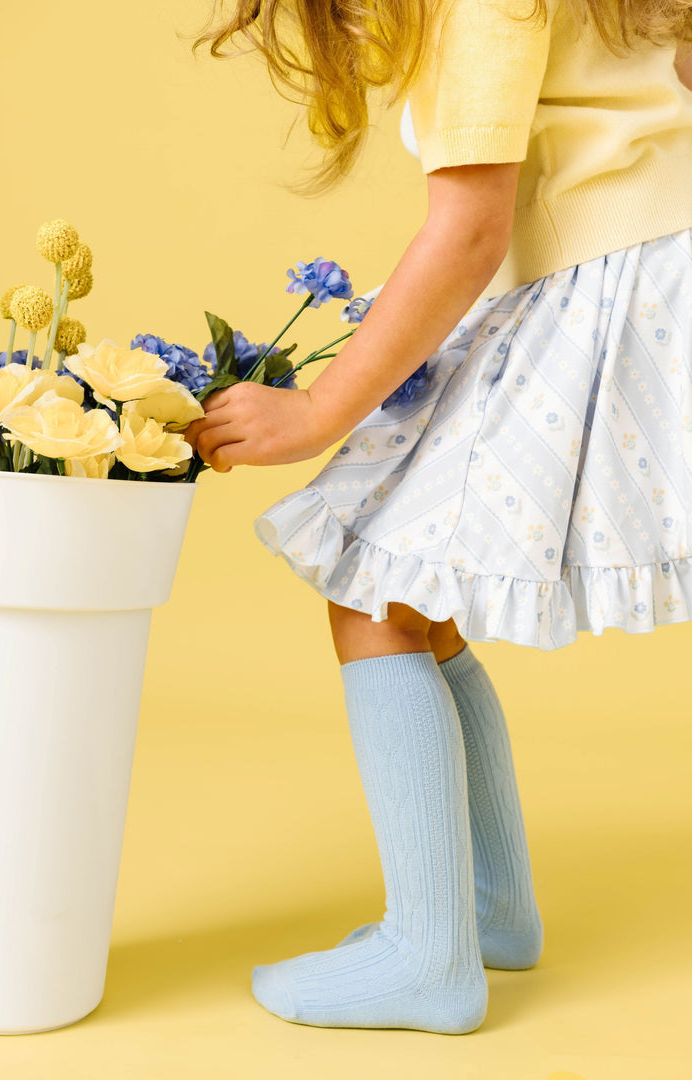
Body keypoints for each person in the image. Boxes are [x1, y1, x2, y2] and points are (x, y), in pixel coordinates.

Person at [184, 0, 692, 1034]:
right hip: (643, 265)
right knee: (411, 594)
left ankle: (429, 953)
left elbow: (469, 228)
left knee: (376, 594)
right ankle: (489, 909)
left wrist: (318, 410)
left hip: (606, 276)